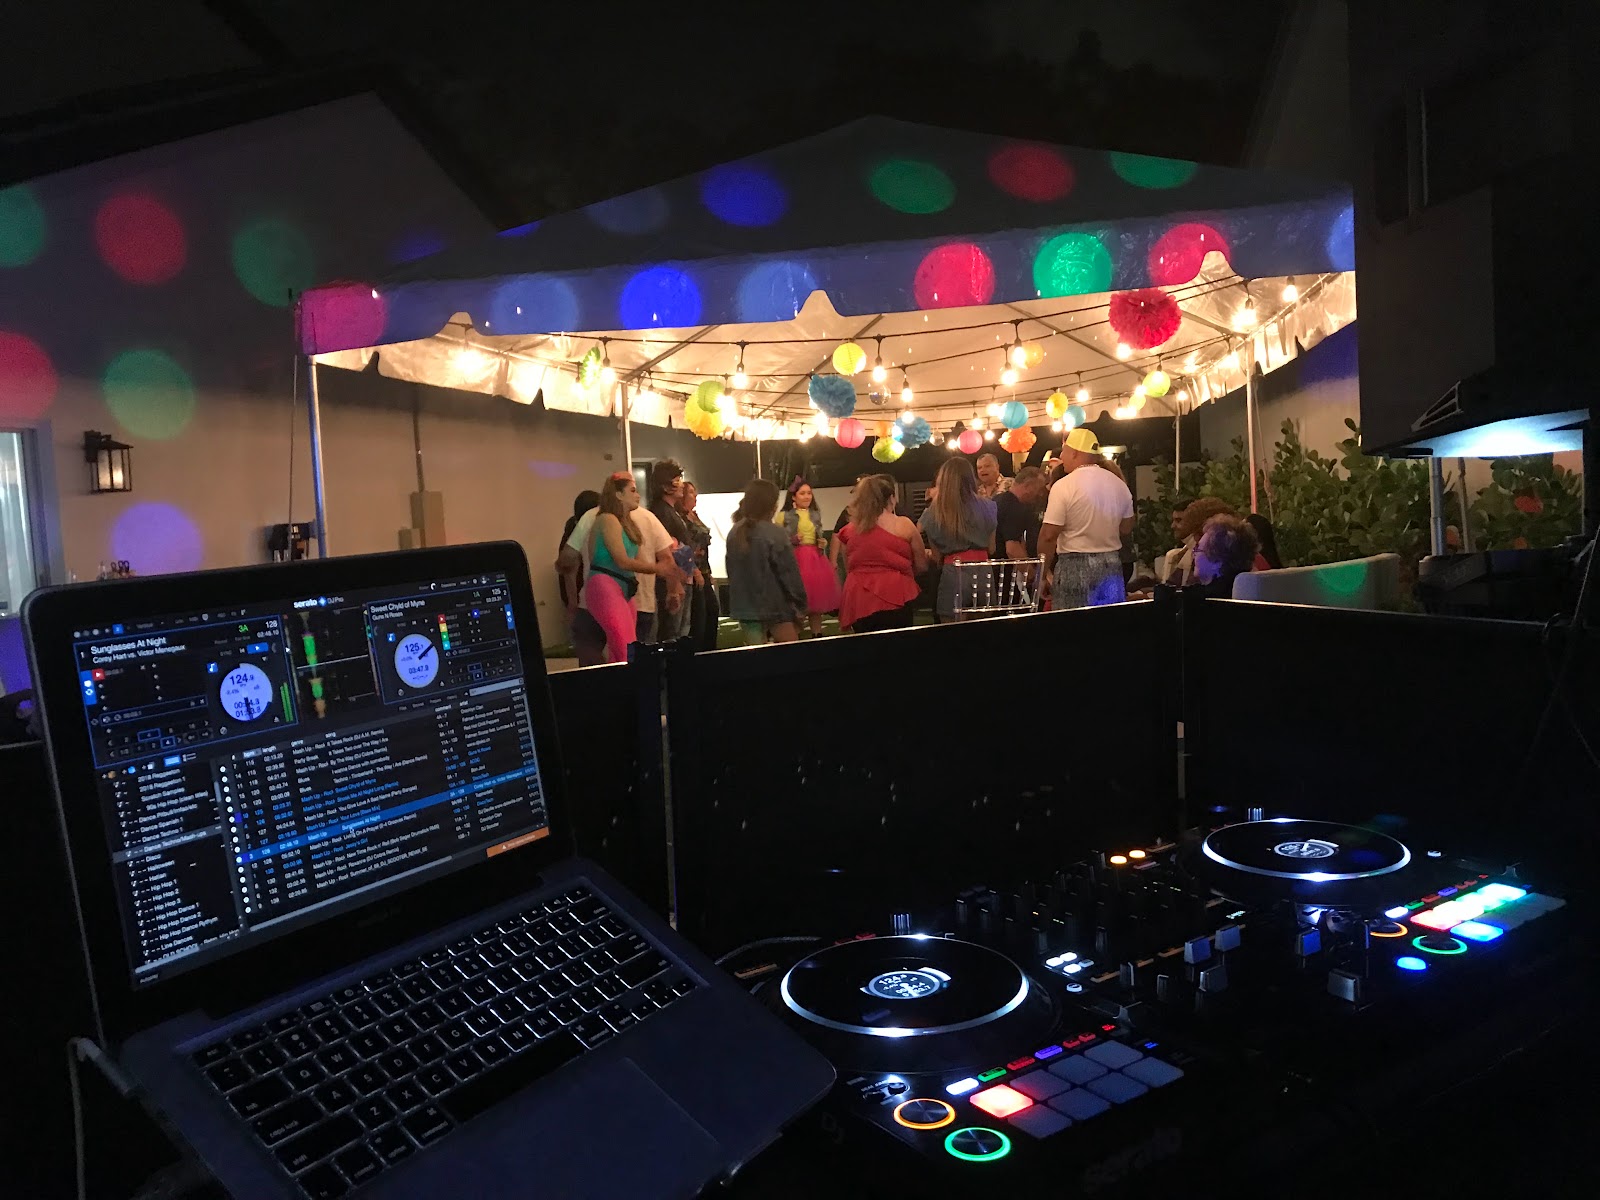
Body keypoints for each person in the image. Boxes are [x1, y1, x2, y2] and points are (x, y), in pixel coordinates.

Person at [562, 477, 684, 664]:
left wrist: (669, 575)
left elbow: (641, 561)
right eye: (632, 491)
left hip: (623, 588)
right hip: (605, 586)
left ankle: (622, 680)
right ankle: (623, 680)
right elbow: (622, 561)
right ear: (618, 494)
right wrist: (658, 569)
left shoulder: (627, 523)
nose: (638, 495)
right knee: (624, 647)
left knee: (627, 646)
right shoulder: (607, 519)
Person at [1038, 427, 1134, 609]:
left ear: (1075, 452)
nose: (1062, 457)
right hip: (1112, 565)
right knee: (1110, 622)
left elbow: (1048, 535)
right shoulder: (1119, 484)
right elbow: (1126, 527)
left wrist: (1042, 576)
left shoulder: (1064, 486)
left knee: (1073, 623)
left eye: (1064, 451)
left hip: (1074, 567)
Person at [837, 474, 926, 631]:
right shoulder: (903, 525)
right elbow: (921, 565)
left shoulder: (849, 530)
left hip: (859, 597)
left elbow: (849, 567)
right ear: (891, 498)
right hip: (897, 592)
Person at [724, 479, 807, 645]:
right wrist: (800, 603)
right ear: (772, 505)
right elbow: (788, 573)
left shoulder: (734, 532)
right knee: (791, 655)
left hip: (745, 607)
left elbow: (731, 571)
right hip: (776, 606)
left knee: (756, 656)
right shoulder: (775, 533)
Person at [918, 458, 997, 620]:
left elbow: (937, 557)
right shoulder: (989, 506)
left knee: (951, 630)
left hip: (953, 573)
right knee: (986, 630)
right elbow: (992, 548)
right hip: (984, 572)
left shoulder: (933, 512)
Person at [778, 477, 842, 638]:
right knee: (797, 601)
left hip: (815, 559)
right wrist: (791, 540)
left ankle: (817, 634)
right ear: (793, 497)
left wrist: (821, 542)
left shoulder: (815, 514)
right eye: (802, 493)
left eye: (809, 493)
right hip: (795, 559)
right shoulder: (784, 516)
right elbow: (777, 540)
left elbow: (817, 533)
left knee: (816, 601)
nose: (807, 496)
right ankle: (795, 636)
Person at [647, 460, 692, 642]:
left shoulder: (670, 511)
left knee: (680, 631)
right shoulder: (661, 512)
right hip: (671, 580)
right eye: (677, 480)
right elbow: (666, 550)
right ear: (665, 486)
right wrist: (674, 584)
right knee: (672, 633)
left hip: (680, 576)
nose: (682, 484)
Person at [677, 481, 720, 651]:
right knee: (699, 617)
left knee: (712, 611)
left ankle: (710, 652)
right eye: (690, 492)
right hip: (693, 571)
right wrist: (694, 566)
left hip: (704, 569)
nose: (695, 496)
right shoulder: (680, 519)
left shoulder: (693, 516)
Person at [1157, 496, 1236, 586]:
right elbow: (1171, 586)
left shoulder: (1223, 567)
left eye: (1198, 532)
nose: (1173, 526)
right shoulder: (1186, 555)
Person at [1188, 514, 1261, 598]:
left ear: (1217, 561)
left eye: (1198, 549)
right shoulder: (1250, 588)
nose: (1193, 554)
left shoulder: (1205, 599)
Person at [556, 489, 600, 610]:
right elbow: (569, 570)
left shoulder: (573, 527)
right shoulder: (580, 530)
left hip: (580, 595)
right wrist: (573, 603)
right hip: (582, 596)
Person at [994, 466, 1048, 559]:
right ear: (1027, 486)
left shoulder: (997, 499)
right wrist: (1031, 568)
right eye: (1039, 489)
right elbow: (1012, 549)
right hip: (1005, 566)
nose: (1041, 494)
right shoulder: (1014, 507)